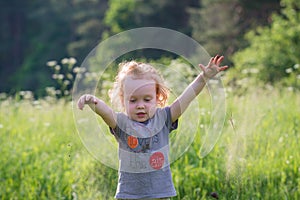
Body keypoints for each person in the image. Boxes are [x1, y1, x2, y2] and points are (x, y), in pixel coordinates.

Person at [77, 55, 228, 200]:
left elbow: (186, 97)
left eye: (147, 99)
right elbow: (106, 113)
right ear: (123, 101)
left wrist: (204, 77)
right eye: (133, 100)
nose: (140, 105)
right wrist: (92, 101)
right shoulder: (122, 123)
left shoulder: (163, 118)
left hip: (160, 194)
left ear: (158, 98)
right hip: (130, 195)